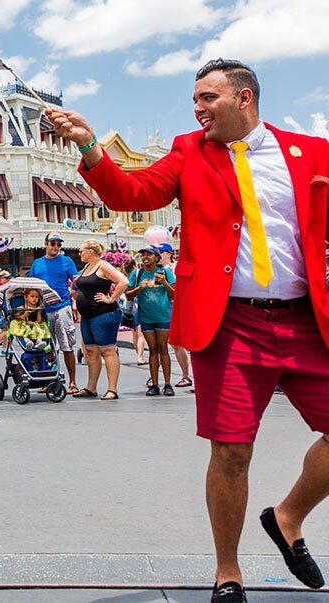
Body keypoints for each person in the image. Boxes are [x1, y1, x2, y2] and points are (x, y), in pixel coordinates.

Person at [47, 58, 329, 601]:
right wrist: (88, 146)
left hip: (305, 320)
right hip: (231, 323)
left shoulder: (310, 152)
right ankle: (228, 573)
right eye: (194, 99)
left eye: (207, 98)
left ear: (244, 98)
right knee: (231, 452)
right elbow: (131, 194)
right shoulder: (187, 152)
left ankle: (288, 517)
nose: (196, 108)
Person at [69, 240, 128, 401]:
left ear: (91, 251)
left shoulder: (103, 266)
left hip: (103, 314)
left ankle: (112, 389)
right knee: (91, 351)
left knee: (108, 350)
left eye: (82, 251)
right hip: (87, 316)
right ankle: (91, 387)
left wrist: (111, 299)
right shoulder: (87, 267)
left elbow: (123, 281)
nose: (79, 253)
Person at [28, 232, 80, 394]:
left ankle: (72, 382)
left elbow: (77, 279)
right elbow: (31, 286)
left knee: (67, 346)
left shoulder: (66, 261)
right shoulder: (37, 263)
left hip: (62, 307)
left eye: (59, 244)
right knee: (48, 348)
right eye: (53, 243)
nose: (56, 247)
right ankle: (50, 380)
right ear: (46, 244)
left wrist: (72, 291)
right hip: (44, 310)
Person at [125, 247, 177, 397]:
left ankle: (167, 384)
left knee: (163, 348)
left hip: (163, 316)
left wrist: (164, 283)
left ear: (156, 257)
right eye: (143, 255)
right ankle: (154, 384)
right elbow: (128, 295)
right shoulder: (137, 273)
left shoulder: (165, 273)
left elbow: (174, 294)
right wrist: (139, 288)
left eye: (149, 255)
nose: (145, 257)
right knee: (152, 349)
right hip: (146, 317)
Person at [158, 242, 195, 388]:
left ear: (168, 253)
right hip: (167, 309)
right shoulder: (157, 270)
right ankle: (186, 375)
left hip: (183, 307)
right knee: (174, 343)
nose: (158, 256)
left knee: (190, 343)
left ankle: (191, 377)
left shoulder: (176, 267)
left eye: (160, 253)